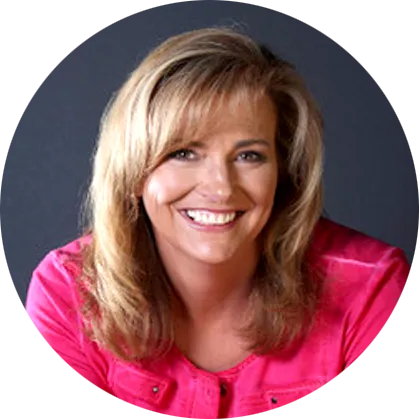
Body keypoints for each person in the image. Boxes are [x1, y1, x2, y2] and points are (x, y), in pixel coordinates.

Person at [25, 26, 420, 419]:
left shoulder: (373, 292)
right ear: (133, 171)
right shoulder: (67, 296)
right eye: (183, 153)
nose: (220, 188)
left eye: (249, 156)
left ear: (283, 173)